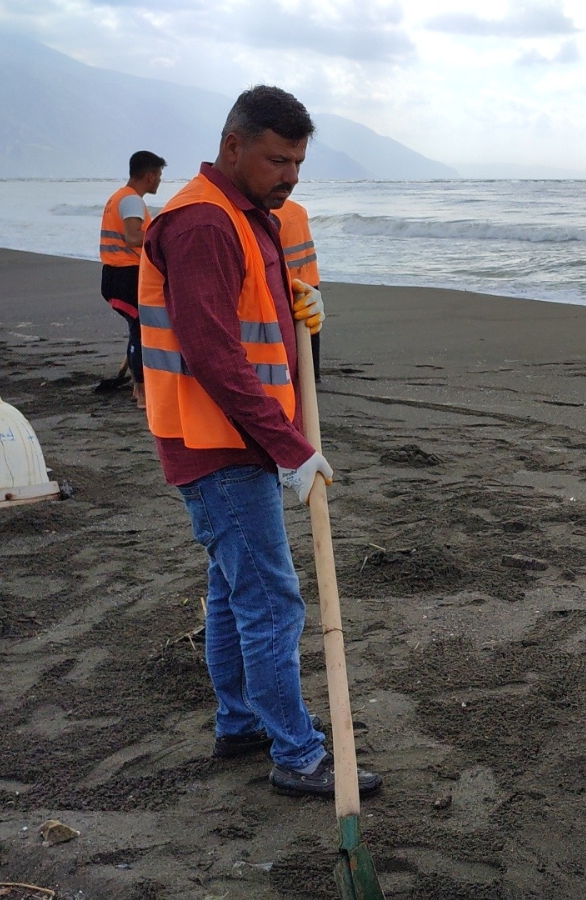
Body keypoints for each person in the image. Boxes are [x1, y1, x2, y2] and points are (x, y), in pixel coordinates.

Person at [138, 85, 374, 799]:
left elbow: (250, 326)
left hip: (236, 440)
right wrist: (292, 447)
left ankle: (240, 722)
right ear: (233, 147)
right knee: (272, 602)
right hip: (220, 445)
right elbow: (214, 355)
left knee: (233, 588)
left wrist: (304, 310)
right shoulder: (204, 222)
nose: (291, 176)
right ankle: (297, 753)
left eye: (299, 163)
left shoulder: (247, 215)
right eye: (278, 160)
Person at [99, 150, 166, 408]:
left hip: (114, 274)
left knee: (137, 328)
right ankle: (142, 393)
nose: (160, 180)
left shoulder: (119, 197)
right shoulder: (132, 201)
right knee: (140, 330)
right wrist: (162, 237)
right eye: (159, 175)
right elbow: (132, 237)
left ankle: (137, 387)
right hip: (125, 276)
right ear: (150, 176)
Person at [275, 198, 325, 382]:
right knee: (311, 328)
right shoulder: (299, 209)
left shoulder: (272, 214)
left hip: (289, 283)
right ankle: (314, 374)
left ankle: (299, 376)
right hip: (310, 278)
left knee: (289, 332)